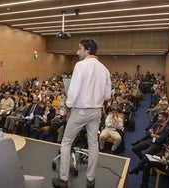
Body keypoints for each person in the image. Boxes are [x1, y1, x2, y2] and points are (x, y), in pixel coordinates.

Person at [52, 38, 111, 188]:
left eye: (80, 49)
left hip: (80, 111)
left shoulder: (81, 65)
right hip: (96, 112)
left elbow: (73, 91)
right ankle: (91, 180)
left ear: (87, 50)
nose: (77, 52)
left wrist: (69, 106)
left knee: (66, 143)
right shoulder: (104, 69)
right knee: (93, 144)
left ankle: (63, 180)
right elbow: (107, 96)